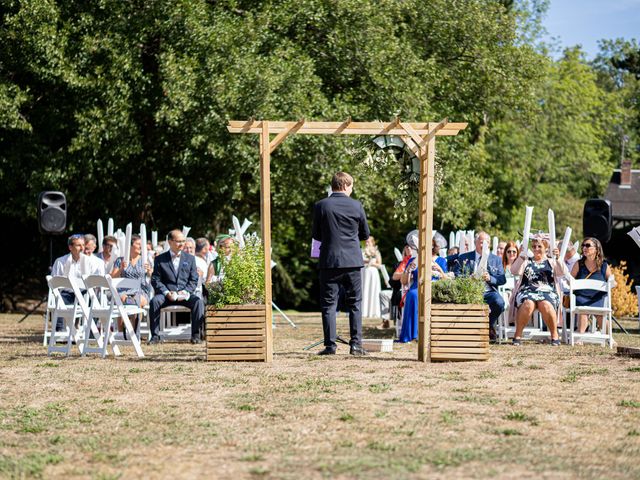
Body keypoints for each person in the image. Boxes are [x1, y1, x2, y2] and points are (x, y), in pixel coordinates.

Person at [312, 172, 370, 356]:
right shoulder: (357, 205)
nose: (352, 190)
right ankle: (356, 345)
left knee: (329, 305)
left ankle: (330, 346)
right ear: (345, 185)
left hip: (329, 261)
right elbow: (365, 234)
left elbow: (316, 235)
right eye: (351, 186)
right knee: (355, 304)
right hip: (352, 261)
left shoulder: (321, 205)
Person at [148, 229, 204, 345]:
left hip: (184, 294)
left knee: (198, 302)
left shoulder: (190, 258)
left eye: (183, 241)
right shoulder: (160, 259)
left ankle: (196, 336)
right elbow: (155, 280)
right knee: (154, 301)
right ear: (170, 242)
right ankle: (155, 336)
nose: (182, 244)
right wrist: (166, 292)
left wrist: (186, 292)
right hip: (166, 295)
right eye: (179, 241)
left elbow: (194, 279)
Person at [509, 235, 566, 346]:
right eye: (534, 246)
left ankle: (554, 335)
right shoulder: (526, 261)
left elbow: (561, 273)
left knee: (545, 304)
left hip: (547, 291)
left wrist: (559, 258)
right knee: (528, 304)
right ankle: (518, 335)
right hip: (527, 290)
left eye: (539, 246)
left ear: (545, 248)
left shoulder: (551, 261)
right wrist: (521, 256)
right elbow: (513, 271)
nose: (536, 249)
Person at [451, 231, 506, 342]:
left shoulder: (496, 259)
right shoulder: (464, 257)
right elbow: (456, 274)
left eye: (487, 242)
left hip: (488, 291)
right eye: (481, 242)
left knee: (499, 303)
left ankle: (488, 325)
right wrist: (468, 278)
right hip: (469, 292)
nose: (484, 245)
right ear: (476, 243)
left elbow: (502, 279)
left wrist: (490, 278)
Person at [570, 237, 612, 334]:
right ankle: (579, 335)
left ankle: (610, 338)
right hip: (582, 296)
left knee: (600, 315)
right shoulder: (579, 264)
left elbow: (611, 279)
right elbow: (571, 280)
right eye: (583, 245)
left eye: (588, 245)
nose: (584, 247)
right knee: (583, 310)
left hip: (598, 297)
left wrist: (612, 283)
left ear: (596, 249)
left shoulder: (604, 265)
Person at [111, 234, 152, 332]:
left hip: (141, 290)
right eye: (138, 244)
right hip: (124, 290)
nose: (141, 246)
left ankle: (134, 332)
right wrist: (121, 268)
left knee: (138, 301)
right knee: (121, 299)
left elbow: (151, 277)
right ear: (130, 245)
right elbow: (112, 277)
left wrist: (150, 271)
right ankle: (121, 333)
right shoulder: (120, 260)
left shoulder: (145, 260)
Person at [361, 236, 382, 319]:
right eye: (366, 241)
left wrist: (371, 263)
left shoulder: (376, 252)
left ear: (372, 242)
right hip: (364, 273)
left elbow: (379, 265)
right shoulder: (362, 251)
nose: (367, 243)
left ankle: (373, 311)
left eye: (368, 241)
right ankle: (364, 311)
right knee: (364, 290)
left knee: (373, 290)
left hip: (373, 273)